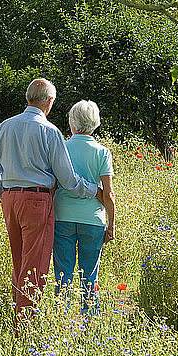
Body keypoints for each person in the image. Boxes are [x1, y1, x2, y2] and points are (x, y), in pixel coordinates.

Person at [0, 78, 102, 319]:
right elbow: (68, 180)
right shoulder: (49, 131)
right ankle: (26, 329)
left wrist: (5, 195)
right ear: (50, 102)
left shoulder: (4, 127)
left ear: (28, 98)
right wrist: (93, 191)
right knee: (34, 266)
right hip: (37, 200)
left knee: (20, 263)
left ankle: (19, 316)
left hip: (10, 199)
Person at [52, 100, 115, 316]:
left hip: (62, 217)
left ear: (71, 122)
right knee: (90, 275)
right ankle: (89, 322)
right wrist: (112, 225)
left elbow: (53, 184)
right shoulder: (102, 152)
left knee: (63, 273)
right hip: (93, 219)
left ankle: (61, 320)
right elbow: (108, 194)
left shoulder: (61, 147)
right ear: (95, 123)